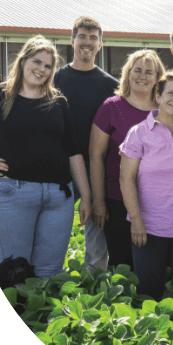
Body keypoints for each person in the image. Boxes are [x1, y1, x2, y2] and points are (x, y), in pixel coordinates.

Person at [0, 35, 91, 278]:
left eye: (48, 66)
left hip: (59, 198)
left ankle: (41, 316)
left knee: (50, 272)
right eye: (37, 62)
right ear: (23, 60)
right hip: (14, 194)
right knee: (16, 271)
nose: (42, 70)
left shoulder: (57, 102)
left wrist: (86, 197)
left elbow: (73, 151)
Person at [119, 70, 173, 299]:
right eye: (170, 93)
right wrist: (136, 220)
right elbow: (126, 179)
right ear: (158, 95)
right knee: (148, 290)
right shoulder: (139, 133)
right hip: (148, 228)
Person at [89, 49, 165, 271]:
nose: (142, 77)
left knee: (153, 264)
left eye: (149, 72)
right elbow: (96, 156)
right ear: (128, 73)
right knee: (121, 264)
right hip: (116, 200)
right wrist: (99, 202)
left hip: (157, 202)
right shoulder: (111, 107)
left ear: (158, 78)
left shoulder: (165, 111)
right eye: (137, 70)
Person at [53, 16, 118, 273]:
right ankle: (49, 281)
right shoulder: (54, 79)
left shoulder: (110, 86)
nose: (87, 43)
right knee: (54, 232)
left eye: (93, 38)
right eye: (82, 36)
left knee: (96, 238)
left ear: (100, 44)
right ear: (72, 41)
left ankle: (96, 285)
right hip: (57, 171)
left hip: (94, 170)